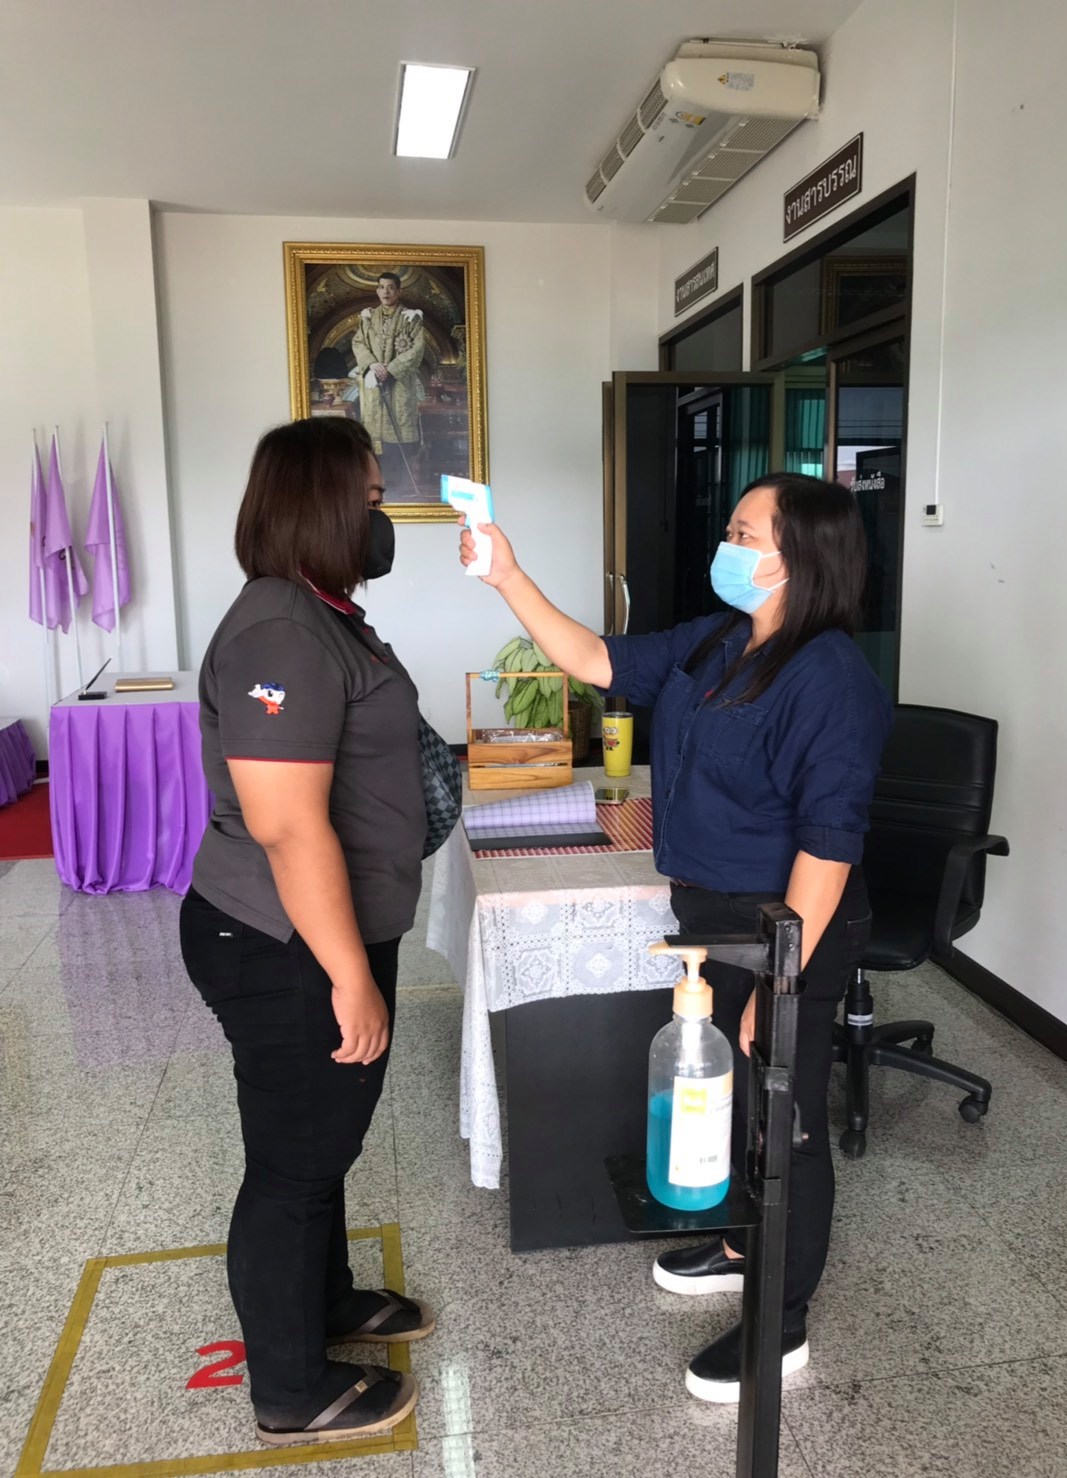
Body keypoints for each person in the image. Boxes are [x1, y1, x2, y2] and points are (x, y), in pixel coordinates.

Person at [459, 472, 893, 1405]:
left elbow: (828, 848)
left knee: (785, 1120)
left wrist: (779, 984)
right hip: (712, 917)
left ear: (798, 557)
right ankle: (741, 1245)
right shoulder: (718, 639)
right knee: (730, 1099)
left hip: (789, 930)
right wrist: (507, 575)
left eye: (744, 533)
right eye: (731, 528)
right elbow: (595, 659)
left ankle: (781, 1322)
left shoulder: (832, 680)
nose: (726, 545)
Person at [180, 417, 433, 1447]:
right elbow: (285, 825)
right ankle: (290, 1388)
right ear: (321, 506)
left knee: (320, 1142)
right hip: (284, 944)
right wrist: (349, 976)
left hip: (321, 933)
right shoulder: (279, 633)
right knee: (293, 1163)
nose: (381, 514)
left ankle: (324, 1302)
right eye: (370, 497)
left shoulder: (322, 614)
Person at [351, 271, 425, 497]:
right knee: (375, 440)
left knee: (398, 434)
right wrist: (373, 365)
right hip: (374, 384)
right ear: (377, 291)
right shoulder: (368, 318)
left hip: (399, 386)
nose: (386, 291)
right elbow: (358, 343)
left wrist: (391, 370)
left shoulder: (411, 319)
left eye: (391, 287)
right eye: (382, 287)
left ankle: (400, 489)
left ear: (398, 291)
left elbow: (417, 349)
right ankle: (376, 487)